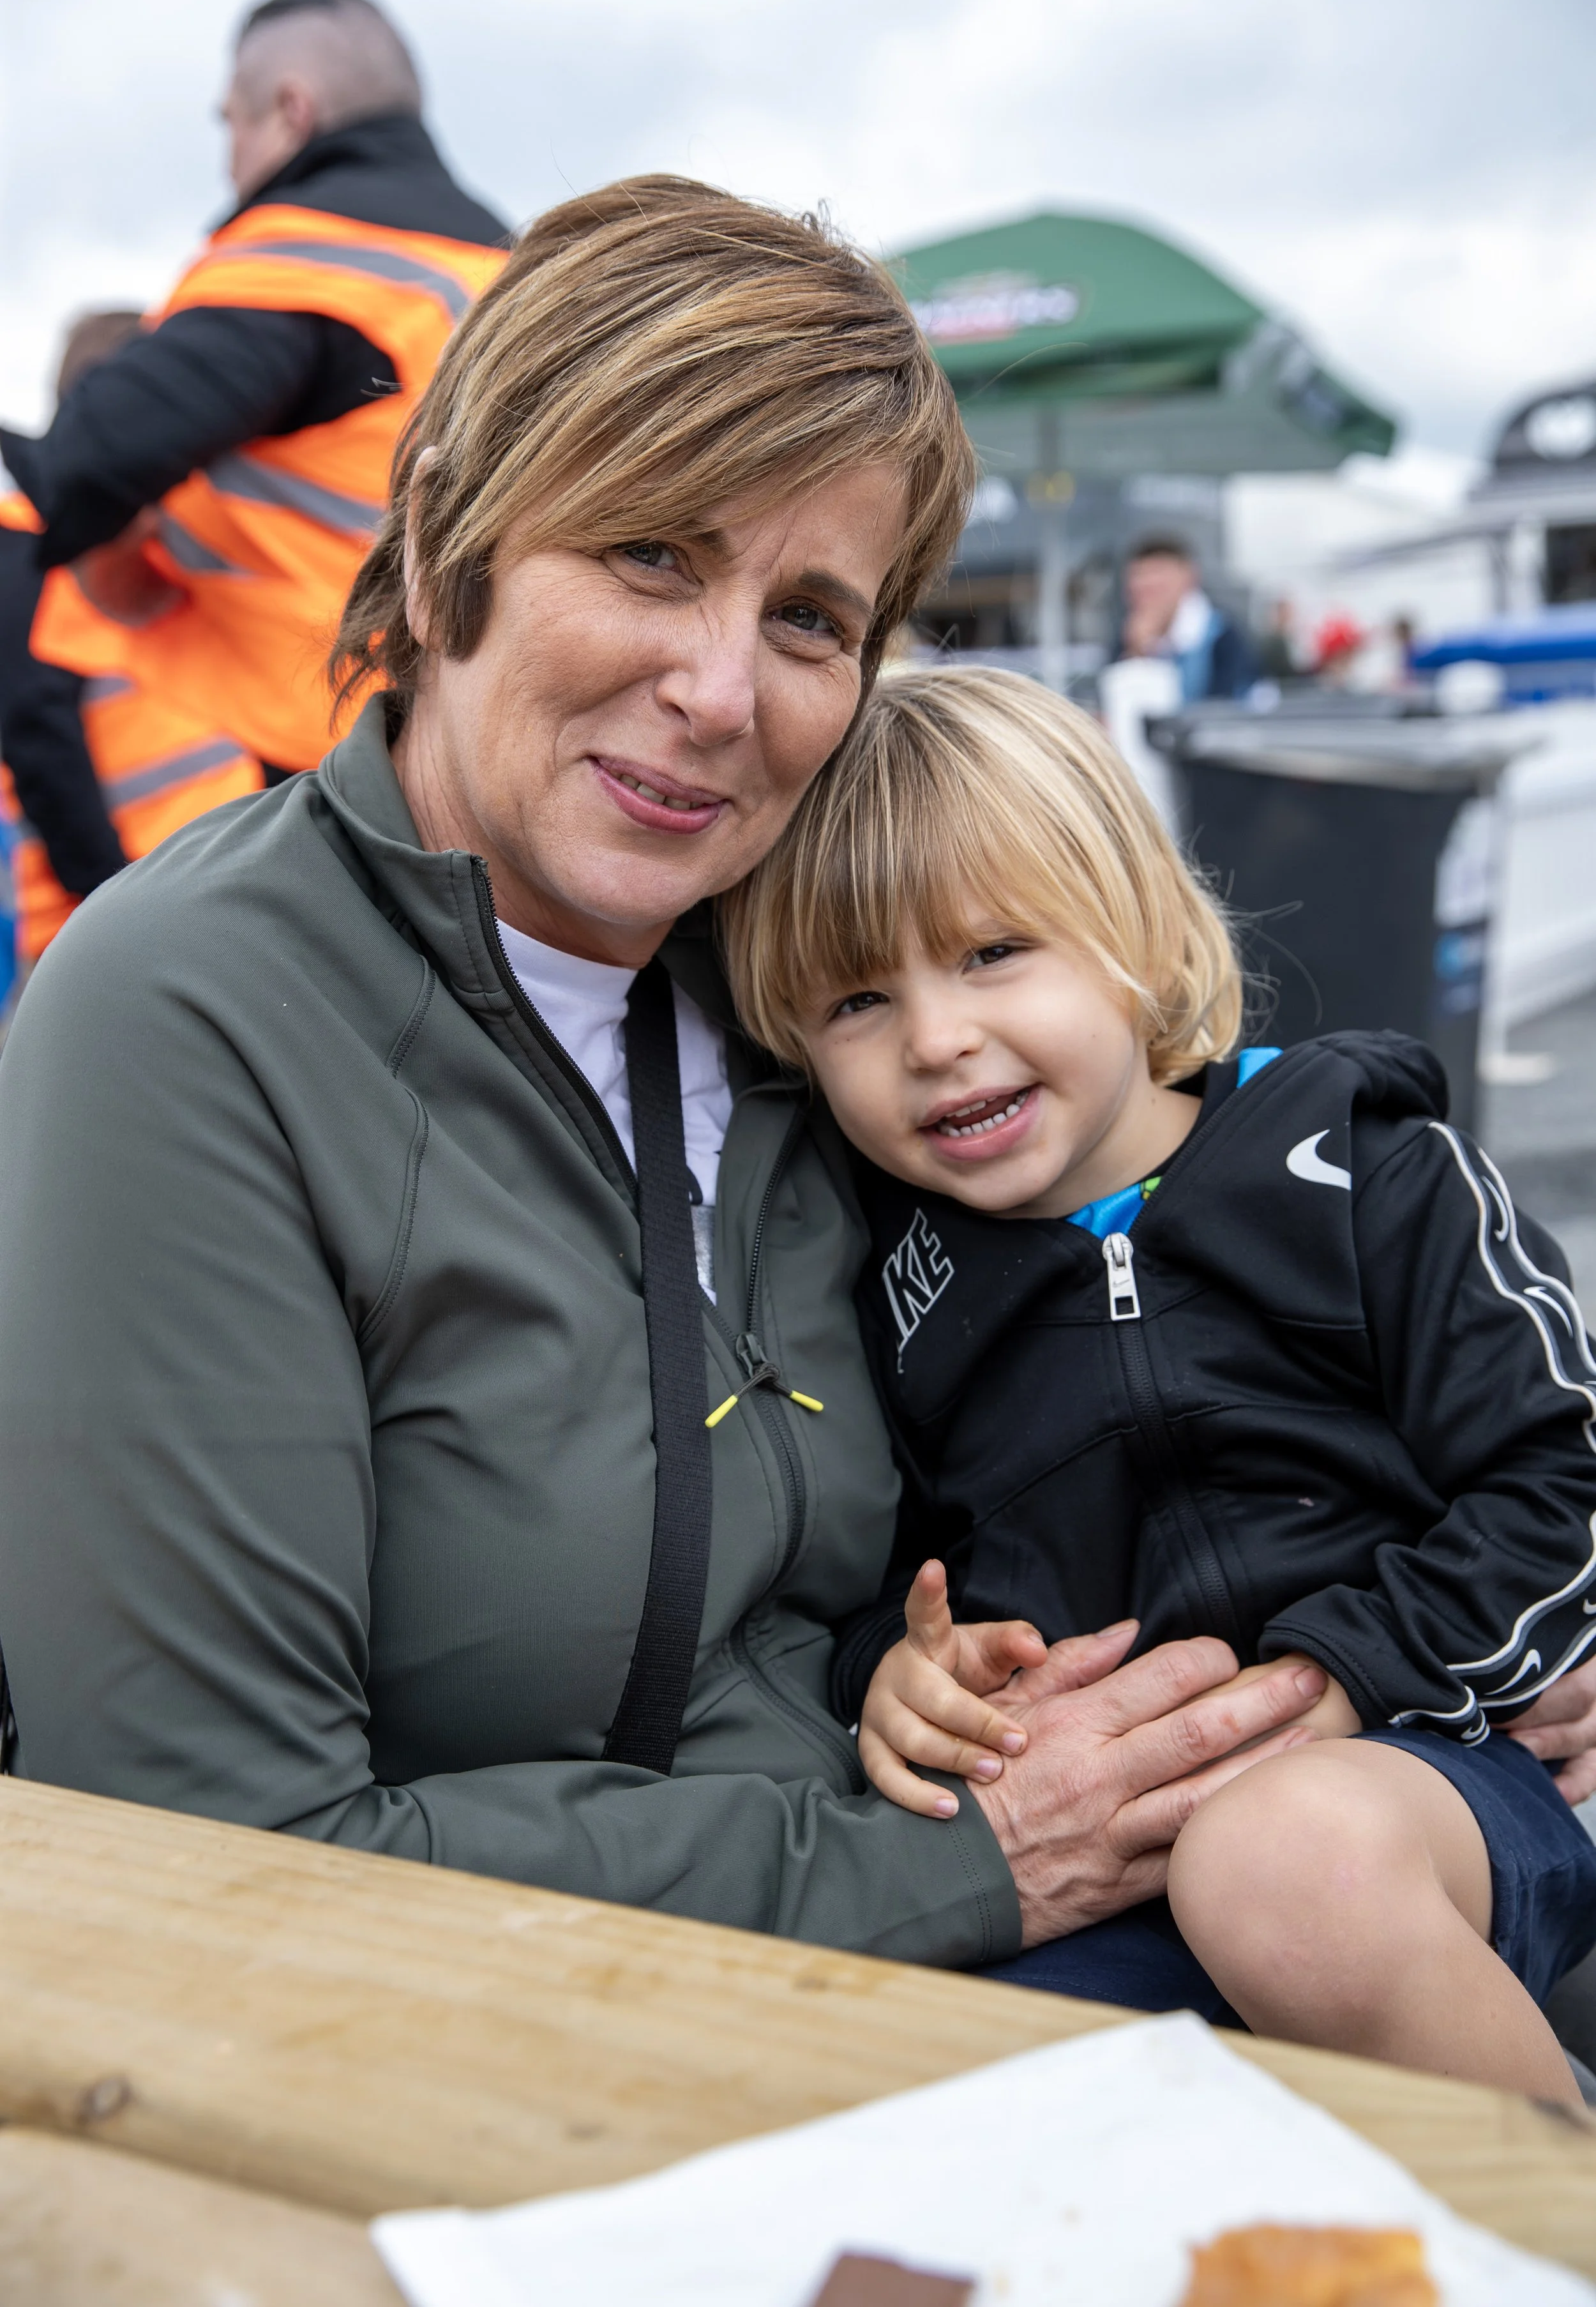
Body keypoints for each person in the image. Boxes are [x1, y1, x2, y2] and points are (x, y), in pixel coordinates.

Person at [0, 176, 1369, 1968]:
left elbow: (1193, 1264)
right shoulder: (185, 1012)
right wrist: (952, 1867)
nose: (721, 691)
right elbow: (209, 1848)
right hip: (518, 2069)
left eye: (809, 617)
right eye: (650, 551)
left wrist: (1489, 1622)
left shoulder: (816, 976)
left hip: (1048, 1924)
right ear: (443, 545)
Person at [719, 663, 1596, 2097]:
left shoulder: (1364, 1169)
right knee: (891, 2069)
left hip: (1412, 1793)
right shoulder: (883, 1295)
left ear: (1129, 934)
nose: (935, 1038)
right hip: (1103, 1868)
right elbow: (872, 1574)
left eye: (994, 951)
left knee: (1281, 1865)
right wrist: (901, 1670)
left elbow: (1559, 1472)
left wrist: (1338, 1681)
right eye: (856, 1001)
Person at [0, 0, 508, 779]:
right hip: (497, 732)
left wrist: (127, 581)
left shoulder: (299, 256)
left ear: (291, 110)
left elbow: (85, 463)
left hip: (348, 744)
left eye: (230, 125)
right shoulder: (515, 274)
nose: (228, 159)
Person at [1, 312, 262, 965]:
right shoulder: (29, 541)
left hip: (210, 891)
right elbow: (43, 744)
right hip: (115, 926)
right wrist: (117, 910)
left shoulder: (164, 531)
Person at [1115, 534, 1254, 702]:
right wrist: (1136, 653)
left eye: (1158, 574)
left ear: (1189, 577)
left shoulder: (1222, 635)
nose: (1147, 584)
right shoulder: (1126, 636)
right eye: (1139, 576)